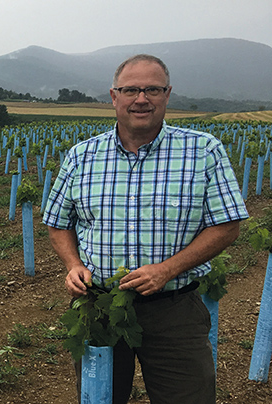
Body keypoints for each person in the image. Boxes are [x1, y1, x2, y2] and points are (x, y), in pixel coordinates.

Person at [42, 54, 249, 404]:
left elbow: (227, 225)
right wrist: (73, 265)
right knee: (101, 399)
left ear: (167, 94)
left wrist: (167, 270)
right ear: (114, 96)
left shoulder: (203, 151)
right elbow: (57, 224)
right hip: (100, 307)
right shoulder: (81, 156)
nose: (141, 99)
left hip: (174, 310)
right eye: (131, 90)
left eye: (152, 89)